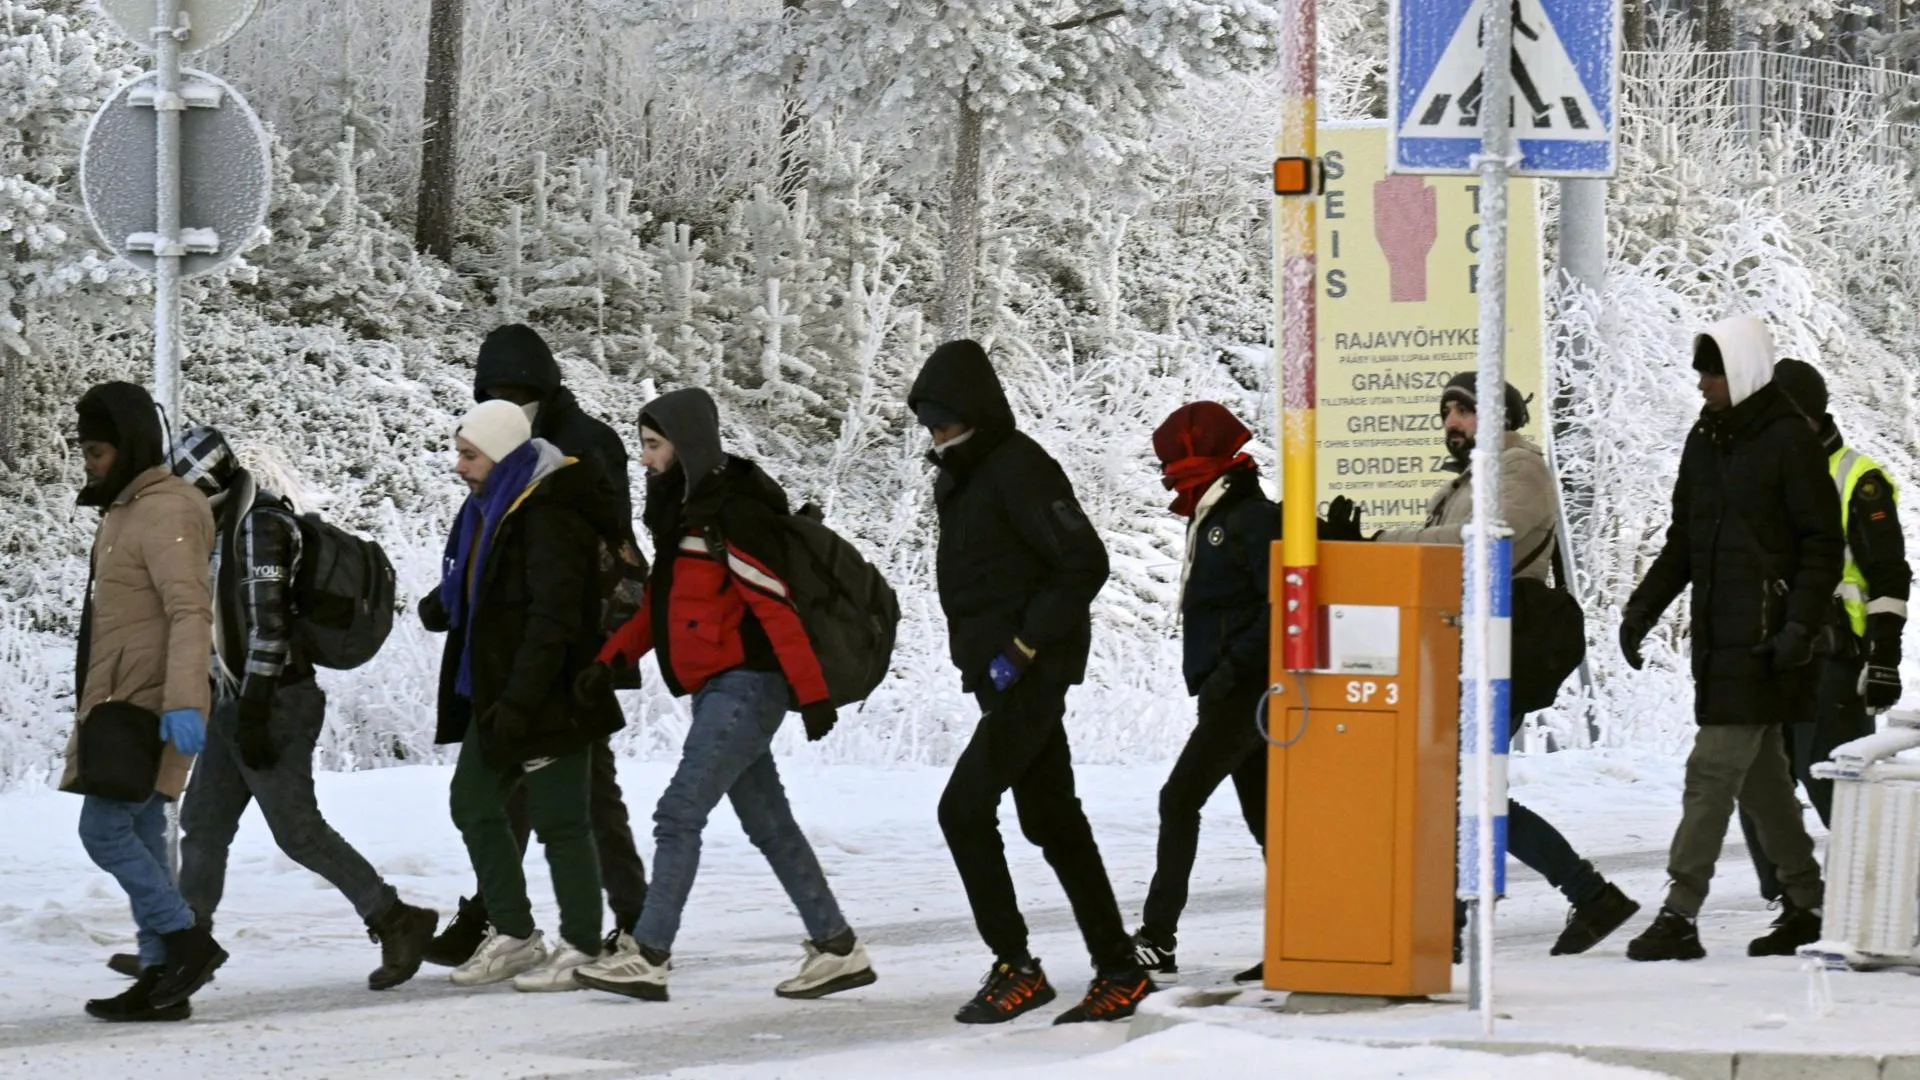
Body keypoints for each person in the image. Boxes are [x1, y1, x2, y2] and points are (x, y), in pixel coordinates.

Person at [571, 388, 876, 1003]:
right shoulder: (684, 512)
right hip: (720, 690)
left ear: (684, 445)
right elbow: (665, 600)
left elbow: (775, 605)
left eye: (654, 447)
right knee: (770, 824)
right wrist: (611, 658)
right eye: (644, 447)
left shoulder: (730, 512)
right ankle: (838, 948)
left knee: (678, 813)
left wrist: (813, 694)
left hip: (747, 686)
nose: (647, 460)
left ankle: (649, 954)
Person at [1330, 372, 1641, 957]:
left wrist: (1377, 543)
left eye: (1464, 412)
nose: (1451, 423)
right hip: (1465, 649)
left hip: (1501, 649)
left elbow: (1480, 541)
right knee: (1464, 790)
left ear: (1499, 416)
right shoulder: (1464, 484)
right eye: (1446, 413)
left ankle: (1464, 926)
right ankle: (1558, 900)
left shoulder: (1519, 470)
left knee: (1464, 789)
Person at [908, 339, 1153, 1025]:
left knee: (962, 810)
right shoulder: (962, 475)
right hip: (997, 676)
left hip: (1032, 672)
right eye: (928, 420)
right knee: (1053, 821)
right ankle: (1120, 967)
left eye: (945, 417)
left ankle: (1016, 965)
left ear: (976, 409)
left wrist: (1024, 643)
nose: (936, 432)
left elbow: (1084, 561)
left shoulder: (1020, 467)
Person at [163, 426, 439, 992]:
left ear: (209, 485)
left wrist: (260, 706)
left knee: (299, 832)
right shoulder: (221, 528)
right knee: (203, 825)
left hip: (275, 698)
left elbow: (271, 625)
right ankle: (187, 944)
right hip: (235, 700)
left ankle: (396, 918)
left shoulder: (261, 527)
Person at [427, 322, 652, 967]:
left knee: (583, 800)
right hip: (510, 652)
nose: (508, 399)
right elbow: (485, 543)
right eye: (496, 390)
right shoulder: (495, 443)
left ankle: (631, 922)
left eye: (518, 390)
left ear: (545, 388)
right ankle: (503, 921)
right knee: (509, 795)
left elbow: (603, 549)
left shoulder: (582, 446)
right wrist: (452, 599)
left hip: (573, 657)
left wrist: (601, 655)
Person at [1619, 315, 1840, 961]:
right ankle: (1806, 901)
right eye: (1699, 372)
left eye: (1712, 371)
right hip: (1719, 641)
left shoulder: (1787, 441)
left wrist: (1799, 625)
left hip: (1773, 643)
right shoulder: (1706, 440)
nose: (1702, 384)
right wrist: (1642, 608)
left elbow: (1823, 545)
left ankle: (1680, 912)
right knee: (1762, 779)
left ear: (1741, 371)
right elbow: (1683, 539)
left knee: (1711, 770)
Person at [65, 382, 226, 1021]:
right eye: (84, 450)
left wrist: (185, 702)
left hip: (153, 704)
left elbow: (190, 611)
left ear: (129, 444)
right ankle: (162, 976)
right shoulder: (125, 509)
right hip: (121, 700)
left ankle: (186, 939)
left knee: (103, 830)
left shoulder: (167, 509)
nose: (89, 461)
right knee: (140, 832)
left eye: (98, 449)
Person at [1738, 360, 1909, 905]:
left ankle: (1885, 893)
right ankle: (1795, 897)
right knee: (1756, 779)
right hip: (1768, 654)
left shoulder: (1858, 479)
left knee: (1830, 779)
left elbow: (1887, 577)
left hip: (1833, 656)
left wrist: (1884, 657)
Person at [1128, 402, 1276, 986]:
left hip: (1243, 693)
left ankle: (1157, 939)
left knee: (1179, 798)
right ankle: (1300, 933)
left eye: (1173, 463)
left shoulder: (1247, 517)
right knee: (1269, 822)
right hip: (1233, 691)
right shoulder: (1219, 513)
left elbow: (1276, 606)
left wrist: (1230, 672)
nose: (1168, 475)